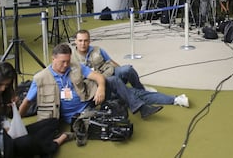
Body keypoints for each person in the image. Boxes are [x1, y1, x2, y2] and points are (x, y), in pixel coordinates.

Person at [19, 44, 164, 125]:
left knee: (111, 80)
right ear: (53, 59)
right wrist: (17, 123)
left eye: (67, 61)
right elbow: (27, 102)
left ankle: (141, 108)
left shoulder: (75, 66)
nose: (65, 65)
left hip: (89, 101)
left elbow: (98, 76)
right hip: (73, 116)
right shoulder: (41, 77)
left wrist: (101, 88)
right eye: (61, 62)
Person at [0, 62, 73, 158]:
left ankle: (35, 149)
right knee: (27, 142)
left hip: (9, 134)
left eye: (6, 85)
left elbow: (12, 116)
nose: (2, 89)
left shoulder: (1, 94)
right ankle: (55, 143)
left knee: (52, 122)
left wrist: (14, 106)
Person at [70, 29, 189, 107]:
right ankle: (176, 99)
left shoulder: (97, 50)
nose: (83, 43)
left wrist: (121, 74)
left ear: (89, 41)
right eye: (80, 41)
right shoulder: (71, 59)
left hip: (110, 74)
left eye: (85, 41)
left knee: (127, 69)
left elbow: (111, 62)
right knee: (136, 94)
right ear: (75, 41)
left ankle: (141, 87)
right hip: (98, 86)